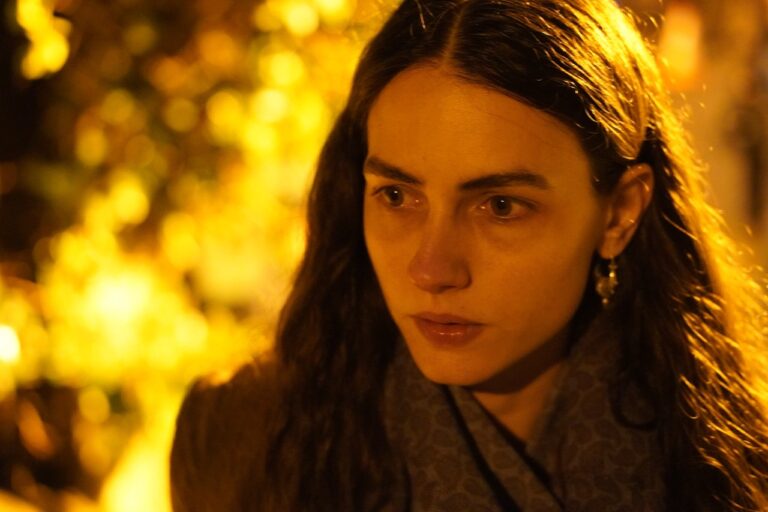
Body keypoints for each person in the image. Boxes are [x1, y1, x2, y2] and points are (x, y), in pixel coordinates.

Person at [170, 0, 768, 510]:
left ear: (618, 214)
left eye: (500, 207)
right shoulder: (249, 444)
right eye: (397, 196)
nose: (431, 269)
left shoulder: (737, 468)